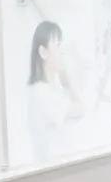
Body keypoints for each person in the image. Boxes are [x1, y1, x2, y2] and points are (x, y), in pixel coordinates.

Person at [27, 21, 82, 163]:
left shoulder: (53, 88)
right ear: (43, 52)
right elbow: (80, 110)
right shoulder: (42, 93)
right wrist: (67, 83)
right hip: (50, 169)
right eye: (57, 45)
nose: (62, 52)